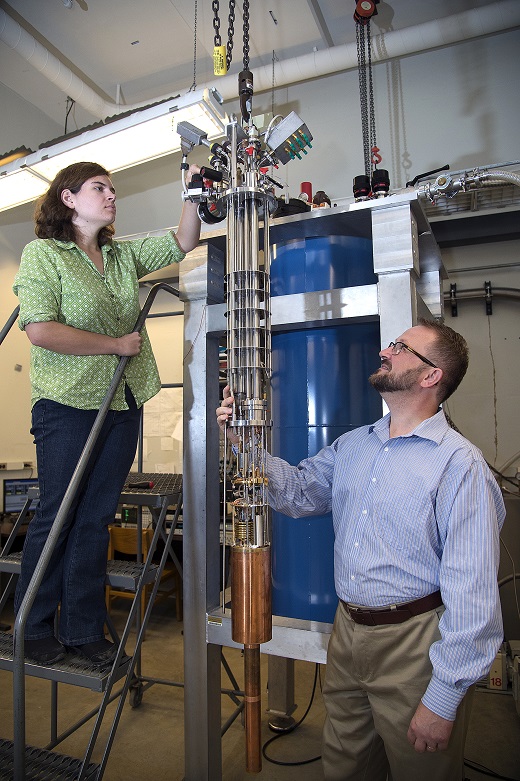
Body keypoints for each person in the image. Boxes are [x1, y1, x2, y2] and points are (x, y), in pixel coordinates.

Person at [217, 318, 505, 781]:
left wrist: (444, 698)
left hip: (414, 643)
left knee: (422, 768)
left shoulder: (459, 465)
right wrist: (242, 442)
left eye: (402, 348)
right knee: (345, 764)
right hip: (347, 631)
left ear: (431, 376)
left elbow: (473, 597)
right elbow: (299, 492)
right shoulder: (354, 445)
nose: (385, 352)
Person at [14, 161, 201, 666]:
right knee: (60, 513)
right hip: (67, 404)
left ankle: (82, 630)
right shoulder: (44, 255)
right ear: (69, 199)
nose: (111, 196)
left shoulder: (120, 257)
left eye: (113, 189)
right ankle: (31, 625)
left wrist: (193, 189)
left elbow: (183, 240)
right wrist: (116, 344)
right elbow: (40, 330)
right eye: (100, 188)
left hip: (123, 400)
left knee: (96, 519)